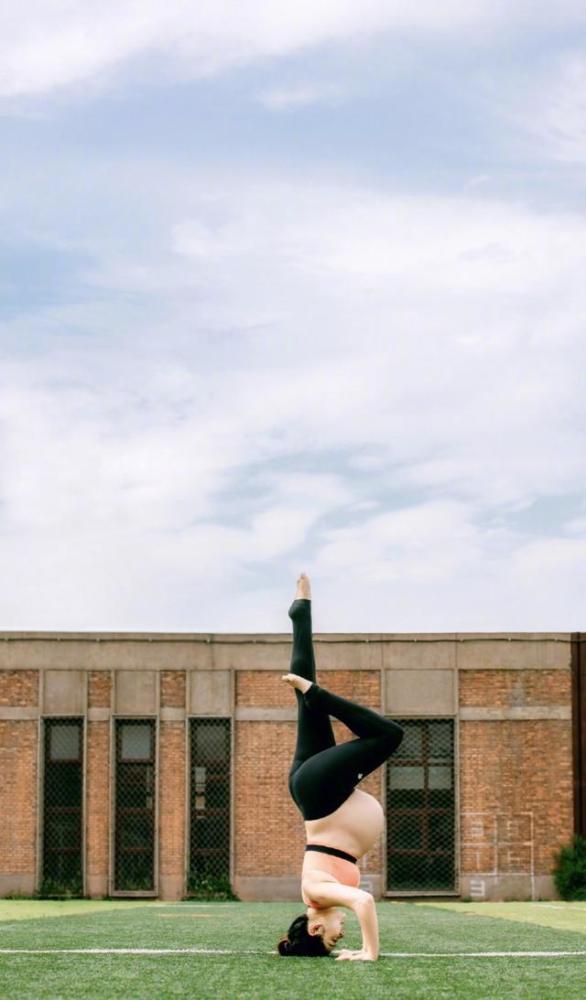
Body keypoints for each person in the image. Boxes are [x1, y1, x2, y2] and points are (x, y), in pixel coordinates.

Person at [277, 574, 404, 960]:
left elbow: (363, 901)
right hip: (314, 792)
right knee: (304, 695)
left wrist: (369, 952)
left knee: (388, 736)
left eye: (332, 939)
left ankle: (318, 694)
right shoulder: (317, 896)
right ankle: (301, 612)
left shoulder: (317, 896)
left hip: (322, 796)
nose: (339, 935)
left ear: (315, 927)